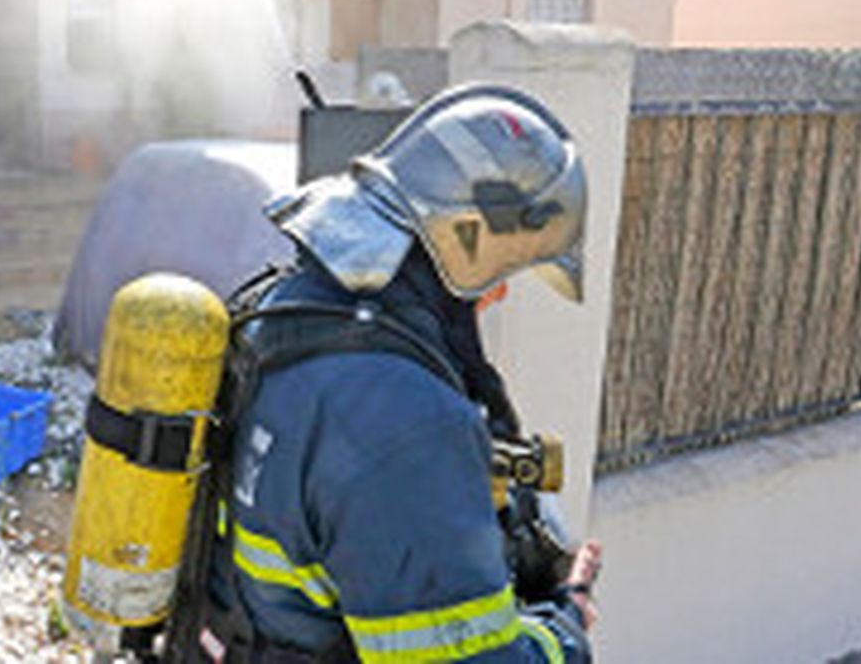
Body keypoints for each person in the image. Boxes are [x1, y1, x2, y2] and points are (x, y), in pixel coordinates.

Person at [177, 83, 602, 663]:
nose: (500, 294)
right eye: (502, 273)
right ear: (464, 243)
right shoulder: (407, 421)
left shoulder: (284, 310)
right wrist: (566, 626)